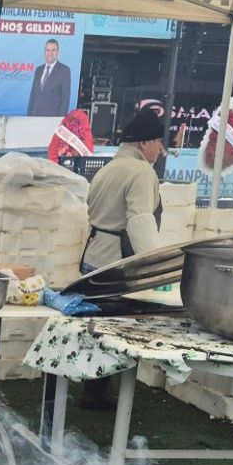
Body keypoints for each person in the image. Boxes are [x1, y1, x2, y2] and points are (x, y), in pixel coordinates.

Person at [79, 109, 165, 409]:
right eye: (158, 142)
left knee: (98, 325)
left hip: (94, 255)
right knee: (117, 329)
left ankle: (93, 390)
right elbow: (140, 221)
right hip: (118, 262)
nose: (160, 149)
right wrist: (154, 265)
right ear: (144, 143)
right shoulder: (141, 172)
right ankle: (101, 393)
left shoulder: (107, 169)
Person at [27, 39, 72, 117]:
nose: (50, 53)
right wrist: (29, 116)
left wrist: (59, 120)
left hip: (51, 119)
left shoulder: (64, 70)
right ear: (44, 52)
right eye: (47, 50)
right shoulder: (38, 70)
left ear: (57, 52)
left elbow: (65, 100)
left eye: (53, 50)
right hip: (34, 117)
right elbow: (33, 96)